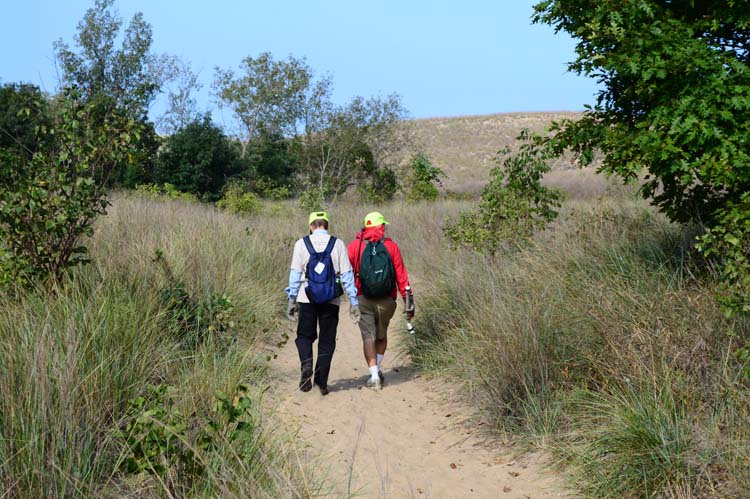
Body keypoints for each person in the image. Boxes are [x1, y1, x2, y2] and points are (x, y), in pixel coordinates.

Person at [285, 211, 360, 396]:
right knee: (327, 340)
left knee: (304, 336)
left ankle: (307, 365)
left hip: (306, 297)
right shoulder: (338, 244)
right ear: (326, 225)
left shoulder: (302, 244)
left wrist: (292, 298)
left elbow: (295, 274)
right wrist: (353, 301)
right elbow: (347, 275)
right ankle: (322, 381)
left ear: (311, 226)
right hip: (331, 299)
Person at [348, 211, 414, 389]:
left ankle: (374, 376)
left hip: (363, 298)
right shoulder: (391, 247)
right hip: (387, 300)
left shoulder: (355, 246)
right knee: (381, 335)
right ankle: (379, 367)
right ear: (381, 227)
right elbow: (401, 276)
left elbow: (346, 272)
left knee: (368, 337)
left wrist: (349, 295)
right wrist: (408, 301)